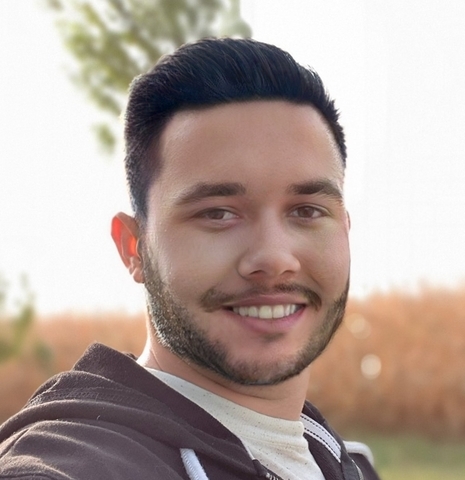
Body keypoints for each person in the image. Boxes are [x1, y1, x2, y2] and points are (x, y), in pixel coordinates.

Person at [0, 38, 381, 480]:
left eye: (307, 211)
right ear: (134, 247)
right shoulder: (75, 466)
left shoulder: (341, 462)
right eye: (217, 213)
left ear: (345, 228)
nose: (275, 258)